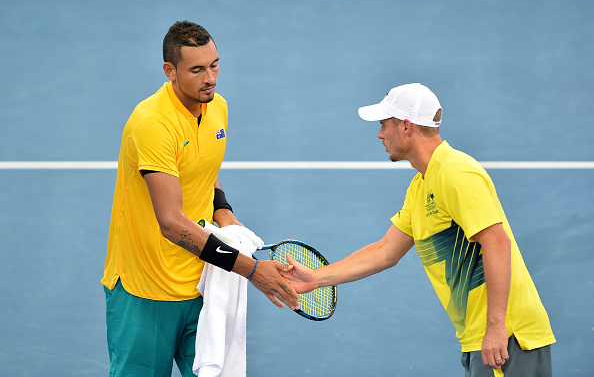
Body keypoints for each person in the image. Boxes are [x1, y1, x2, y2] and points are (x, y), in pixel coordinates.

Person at [282, 83, 556, 376]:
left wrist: (496, 327)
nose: (380, 134)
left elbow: (497, 242)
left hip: (509, 337)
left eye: (384, 125)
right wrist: (315, 278)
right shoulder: (422, 184)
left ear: (406, 126)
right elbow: (385, 251)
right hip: (481, 337)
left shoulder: (455, 173)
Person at [101, 21, 299, 376]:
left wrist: (224, 211)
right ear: (170, 71)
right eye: (197, 70)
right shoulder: (153, 124)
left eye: (215, 65)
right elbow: (172, 224)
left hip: (202, 282)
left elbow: (203, 166)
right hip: (146, 291)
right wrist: (253, 270)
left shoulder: (216, 108)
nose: (210, 78)